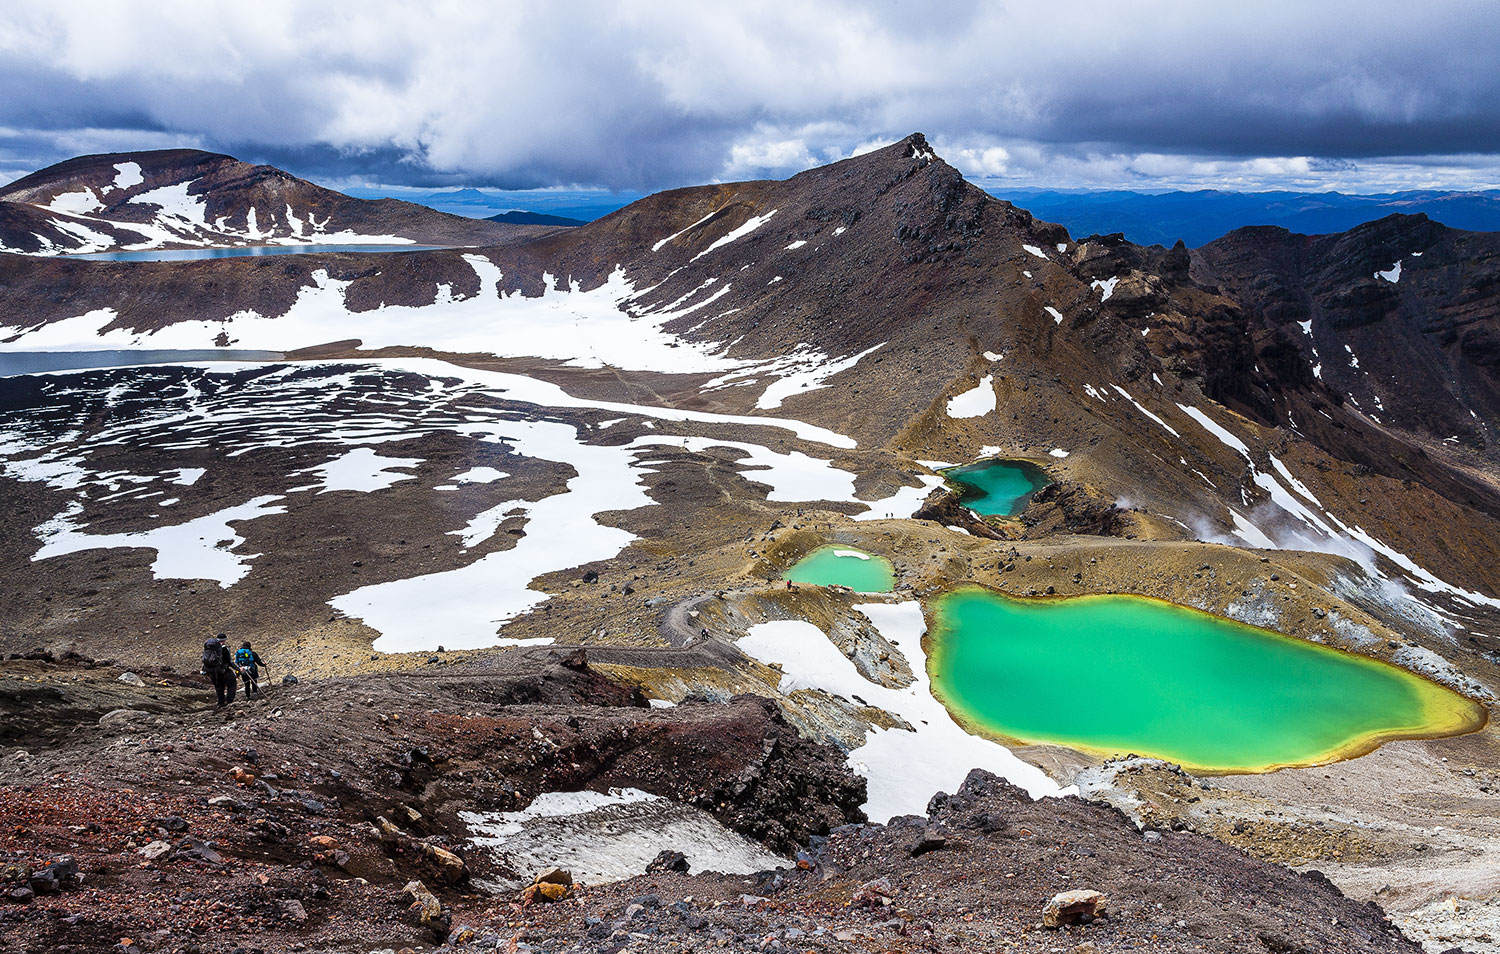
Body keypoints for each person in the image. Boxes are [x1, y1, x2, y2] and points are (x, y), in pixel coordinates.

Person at [200, 633, 238, 708]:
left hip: (212, 672)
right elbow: (229, 662)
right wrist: (238, 669)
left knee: (219, 687)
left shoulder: (209, 649)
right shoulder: (223, 649)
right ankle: (229, 701)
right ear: (224, 640)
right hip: (222, 671)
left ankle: (220, 703)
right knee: (232, 682)